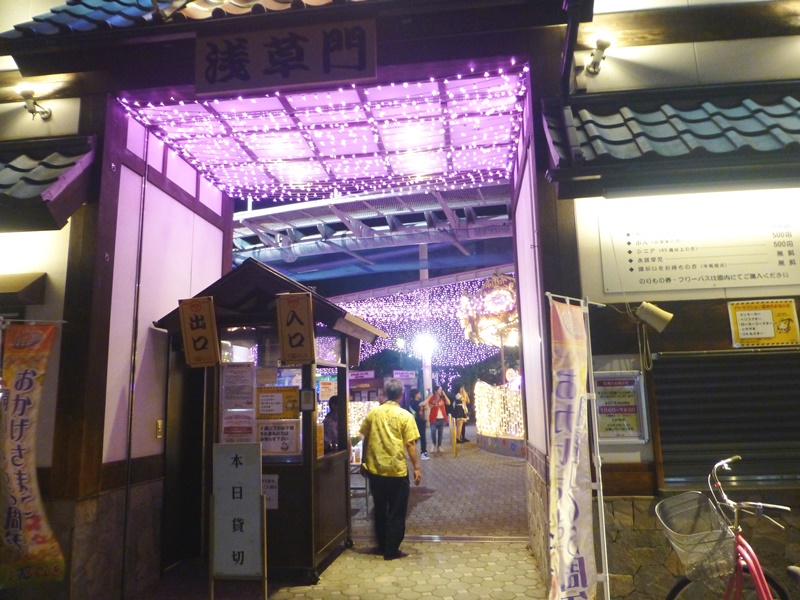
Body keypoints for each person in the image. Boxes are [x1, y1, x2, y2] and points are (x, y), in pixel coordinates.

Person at [359, 378, 422, 560]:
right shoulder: (405, 416)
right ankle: (391, 549)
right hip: (397, 470)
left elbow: (363, 438)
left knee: (380, 508)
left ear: (385, 393)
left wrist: (363, 462)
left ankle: (382, 545)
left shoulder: (373, 414)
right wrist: (416, 468)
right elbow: (410, 444)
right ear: (401, 395)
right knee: (396, 510)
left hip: (376, 469)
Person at [424, 384, 450, 454]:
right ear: (435, 391)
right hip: (433, 418)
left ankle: (439, 446)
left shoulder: (442, 398)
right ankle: (434, 444)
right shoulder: (432, 398)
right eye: (439, 389)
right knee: (433, 432)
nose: (440, 390)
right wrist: (434, 403)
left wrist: (444, 395)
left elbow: (448, 403)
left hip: (442, 418)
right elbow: (429, 406)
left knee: (440, 433)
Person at [407, 388, 429, 460]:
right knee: (416, 439)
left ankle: (422, 453)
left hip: (421, 422)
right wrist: (430, 396)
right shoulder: (413, 402)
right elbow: (423, 404)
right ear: (416, 395)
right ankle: (417, 452)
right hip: (416, 422)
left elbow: (426, 407)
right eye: (419, 393)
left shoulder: (418, 401)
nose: (420, 394)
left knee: (422, 438)